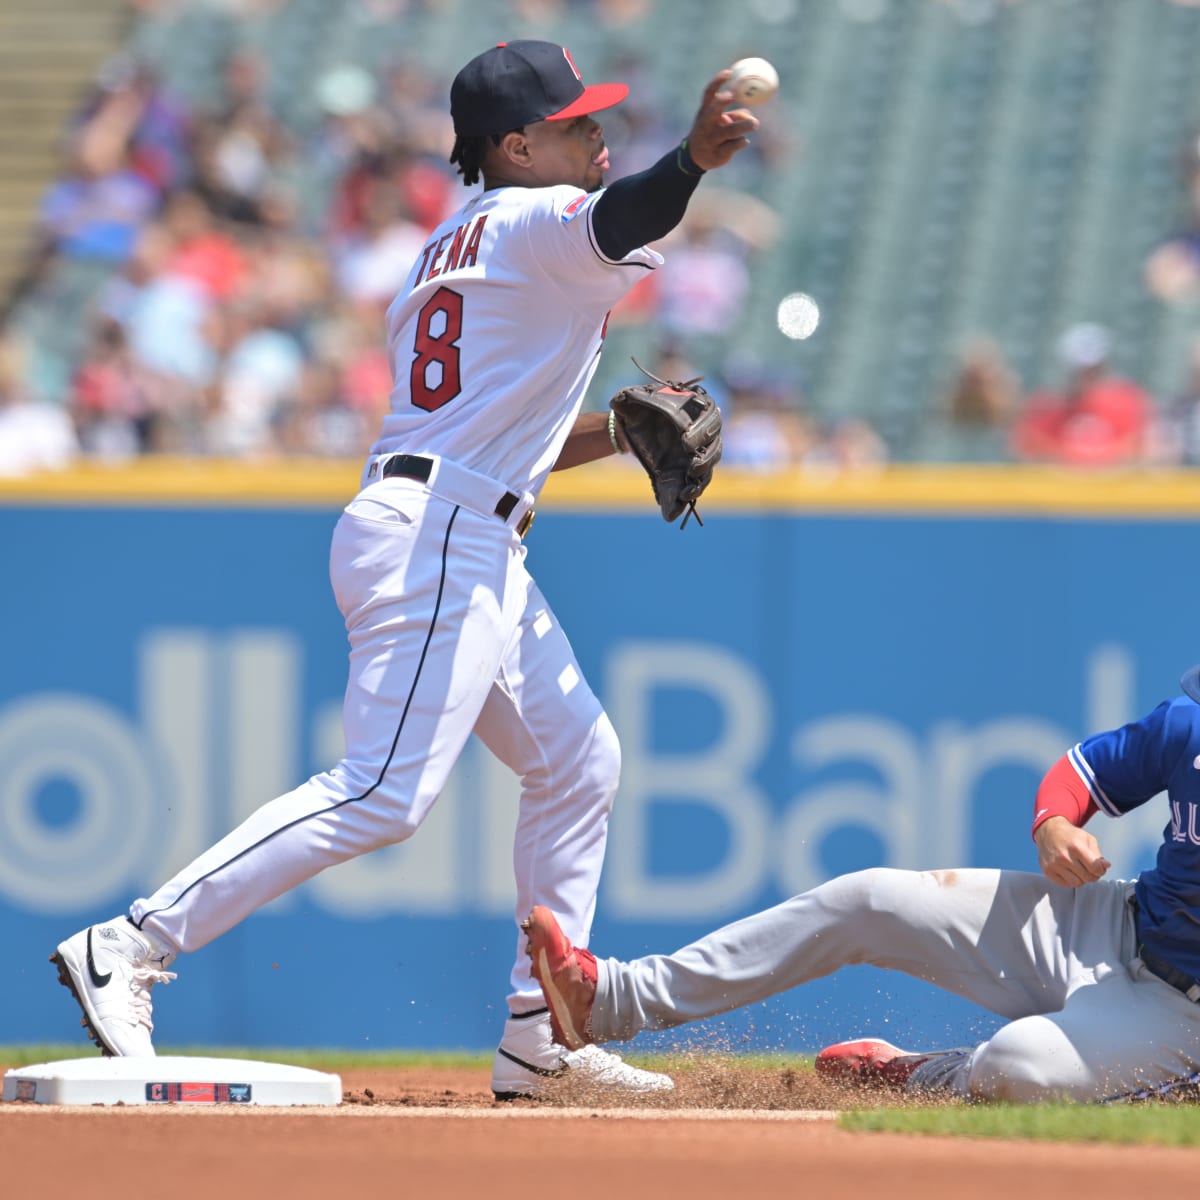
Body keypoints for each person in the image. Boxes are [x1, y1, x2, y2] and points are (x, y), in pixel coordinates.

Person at [50, 39, 758, 1101]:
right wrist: (694, 160)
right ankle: (133, 942)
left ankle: (540, 1039)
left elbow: (492, 435)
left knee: (579, 763)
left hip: (458, 521)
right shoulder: (530, 220)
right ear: (517, 147)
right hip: (440, 536)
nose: (596, 129)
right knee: (382, 792)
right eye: (573, 123)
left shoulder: (450, 244)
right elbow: (627, 217)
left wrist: (612, 433)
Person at [525, 666, 1200, 1103]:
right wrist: (1054, 823)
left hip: (1181, 1016)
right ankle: (612, 1000)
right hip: (1117, 923)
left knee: (1015, 1071)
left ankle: (925, 1074)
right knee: (871, 898)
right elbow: (1083, 774)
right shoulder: (1187, 722)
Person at [1008, 322, 1155, 467]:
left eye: (1093, 370)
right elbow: (1025, 449)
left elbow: (1146, 450)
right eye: (1082, 370)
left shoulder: (1128, 402)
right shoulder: (1046, 406)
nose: (1086, 376)